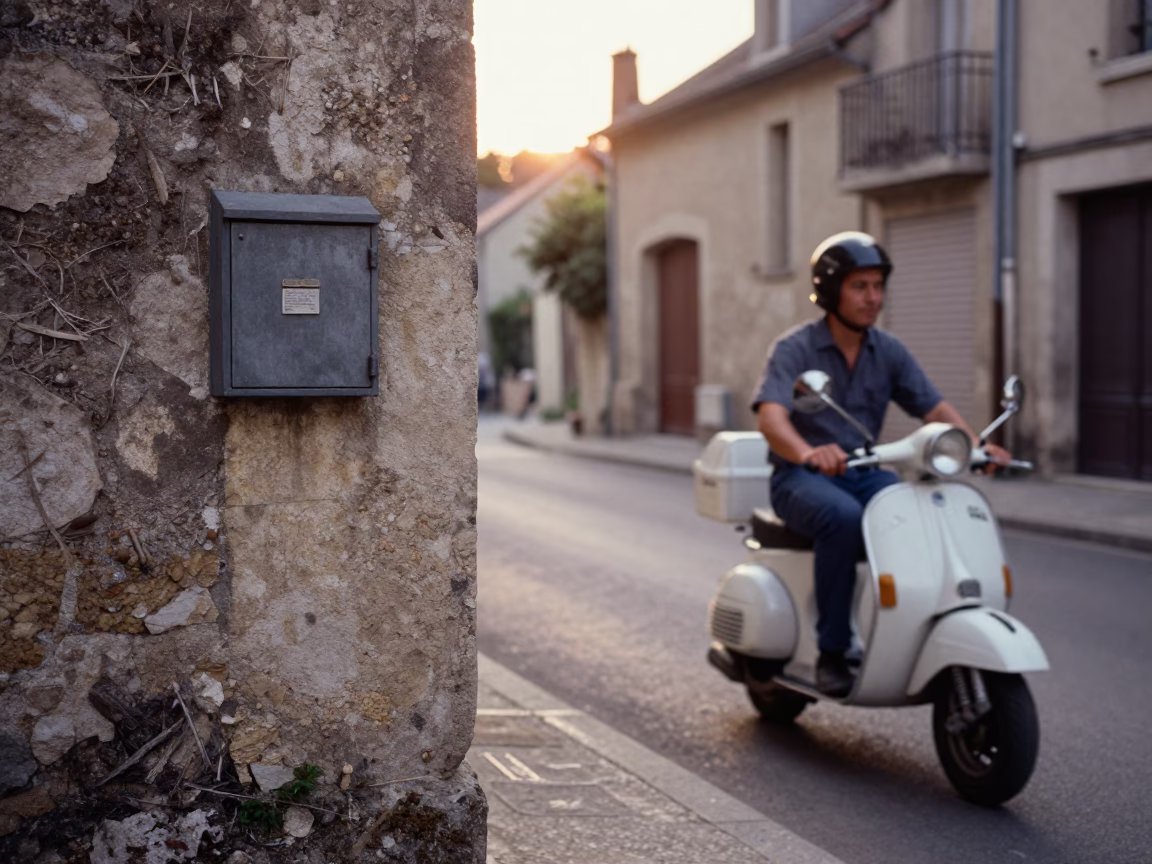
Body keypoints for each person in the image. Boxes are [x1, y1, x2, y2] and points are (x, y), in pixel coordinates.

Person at [751, 232, 1010, 698]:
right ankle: (833, 650)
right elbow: (771, 419)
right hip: (800, 477)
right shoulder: (795, 349)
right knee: (843, 518)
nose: (873, 298)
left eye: (877, 286)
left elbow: (933, 408)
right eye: (859, 287)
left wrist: (976, 446)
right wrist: (808, 452)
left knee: (919, 511)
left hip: (864, 472)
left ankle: (913, 631)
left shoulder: (887, 350)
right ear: (831, 291)